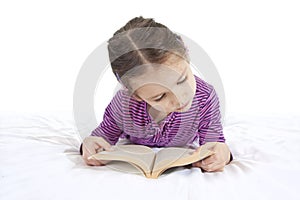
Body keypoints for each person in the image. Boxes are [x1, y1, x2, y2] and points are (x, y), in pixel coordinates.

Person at [80, 16, 233, 172]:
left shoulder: (205, 97)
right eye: (160, 97)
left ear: (186, 58)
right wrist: (91, 145)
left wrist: (222, 153)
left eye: (182, 80)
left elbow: (214, 143)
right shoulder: (124, 104)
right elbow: (102, 137)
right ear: (137, 96)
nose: (179, 98)